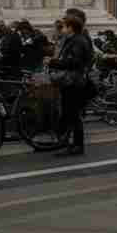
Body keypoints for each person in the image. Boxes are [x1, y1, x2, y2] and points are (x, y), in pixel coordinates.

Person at [47, 14, 94, 157]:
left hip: (74, 82)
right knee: (69, 113)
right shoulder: (73, 40)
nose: (62, 29)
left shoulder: (78, 41)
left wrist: (53, 62)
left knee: (72, 113)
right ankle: (67, 142)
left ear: (71, 27)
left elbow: (74, 62)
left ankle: (77, 145)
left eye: (64, 26)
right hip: (71, 81)